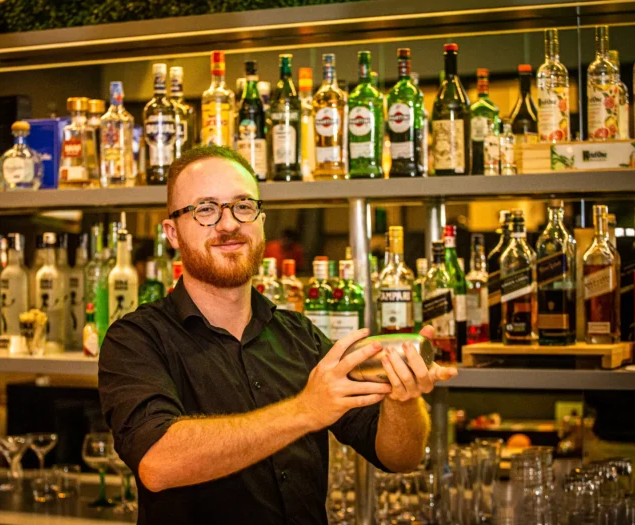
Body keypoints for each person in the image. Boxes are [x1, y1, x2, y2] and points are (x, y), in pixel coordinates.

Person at [98, 145, 457, 525]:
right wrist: (305, 410)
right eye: (205, 209)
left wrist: (402, 399)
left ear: (261, 221)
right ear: (172, 233)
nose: (228, 224)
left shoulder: (300, 336)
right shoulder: (136, 339)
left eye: (243, 206)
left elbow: (400, 458)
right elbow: (158, 463)